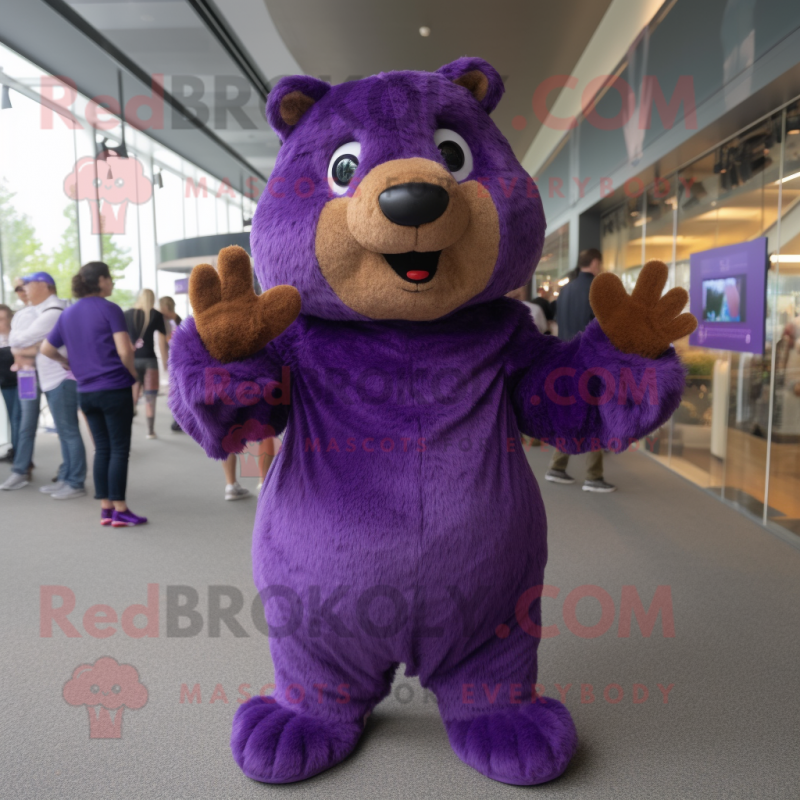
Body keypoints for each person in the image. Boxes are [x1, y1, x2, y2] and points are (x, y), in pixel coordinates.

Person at [41, 262, 147, 527]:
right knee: (119, 449)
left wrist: (68, 363)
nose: (112, 283)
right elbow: (125, 351)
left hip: (86, 391)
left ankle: (106, 509)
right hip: (114, 387)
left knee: (102, 448)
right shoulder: (110, 309)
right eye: (109, 278)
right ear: (100, 280)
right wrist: (132, 375)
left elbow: (46, 349)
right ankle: (120, 509)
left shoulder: (67, 314)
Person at [3, 272, 87, 497]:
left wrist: (33, 344)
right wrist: (36, 344)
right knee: (27, 423)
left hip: (57, 377)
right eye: (20, 288)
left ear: (43, 286)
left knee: (67, 429)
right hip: (32, 375)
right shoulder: (27, 314)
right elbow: (14, 343)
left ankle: (73, 480)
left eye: (26, 286)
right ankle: (28, 470)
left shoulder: (53, 311)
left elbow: (20, 341)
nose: (23, 291)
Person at [545, 248, 617, 493]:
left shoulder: (566, 290)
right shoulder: (597, 289)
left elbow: (557, 321)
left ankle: (557, 466)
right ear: (596, 263)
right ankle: (594, 477)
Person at [124, 289, 168, 439]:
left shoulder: (128, 314)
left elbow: (123, 339)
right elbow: (162, 341)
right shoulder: (156, 315)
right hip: (150, 360)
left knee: (132, 397)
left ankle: (126, 432)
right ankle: (150, 431)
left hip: (133, 361)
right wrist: (165, 361)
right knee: (150, 397)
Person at [158, 296, 184, 433]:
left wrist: (164, 363)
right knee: (179, 391)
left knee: (176, 391)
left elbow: (162, 345)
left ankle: (178, 420)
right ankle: (179, 419)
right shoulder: (180, 320)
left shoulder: (166, 323)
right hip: (180, 362)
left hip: (176, 362)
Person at [0, 304, 21, 464]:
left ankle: (22, 456)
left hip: (24, 383)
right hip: (6, 385)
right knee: (13, 418)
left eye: (1, 319)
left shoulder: (18, 336)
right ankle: (17, 451)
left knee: (20, 420)